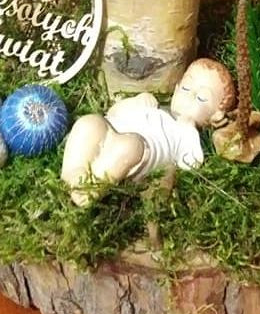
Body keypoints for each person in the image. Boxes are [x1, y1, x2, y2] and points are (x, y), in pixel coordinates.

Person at [61, 58, 236, 206]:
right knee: (90, 122)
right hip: (112, 128)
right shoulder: (154, 107)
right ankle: (74, 171)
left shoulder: (187, 134)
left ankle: (90, 188)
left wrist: (190, 129)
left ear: (216, 115)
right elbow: (113, 112)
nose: (188, 96)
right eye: (185, 88)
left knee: (130, 146)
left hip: (140, 152)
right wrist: (135, 102)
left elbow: (191, 164)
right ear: (176, 89)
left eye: (201, 98)